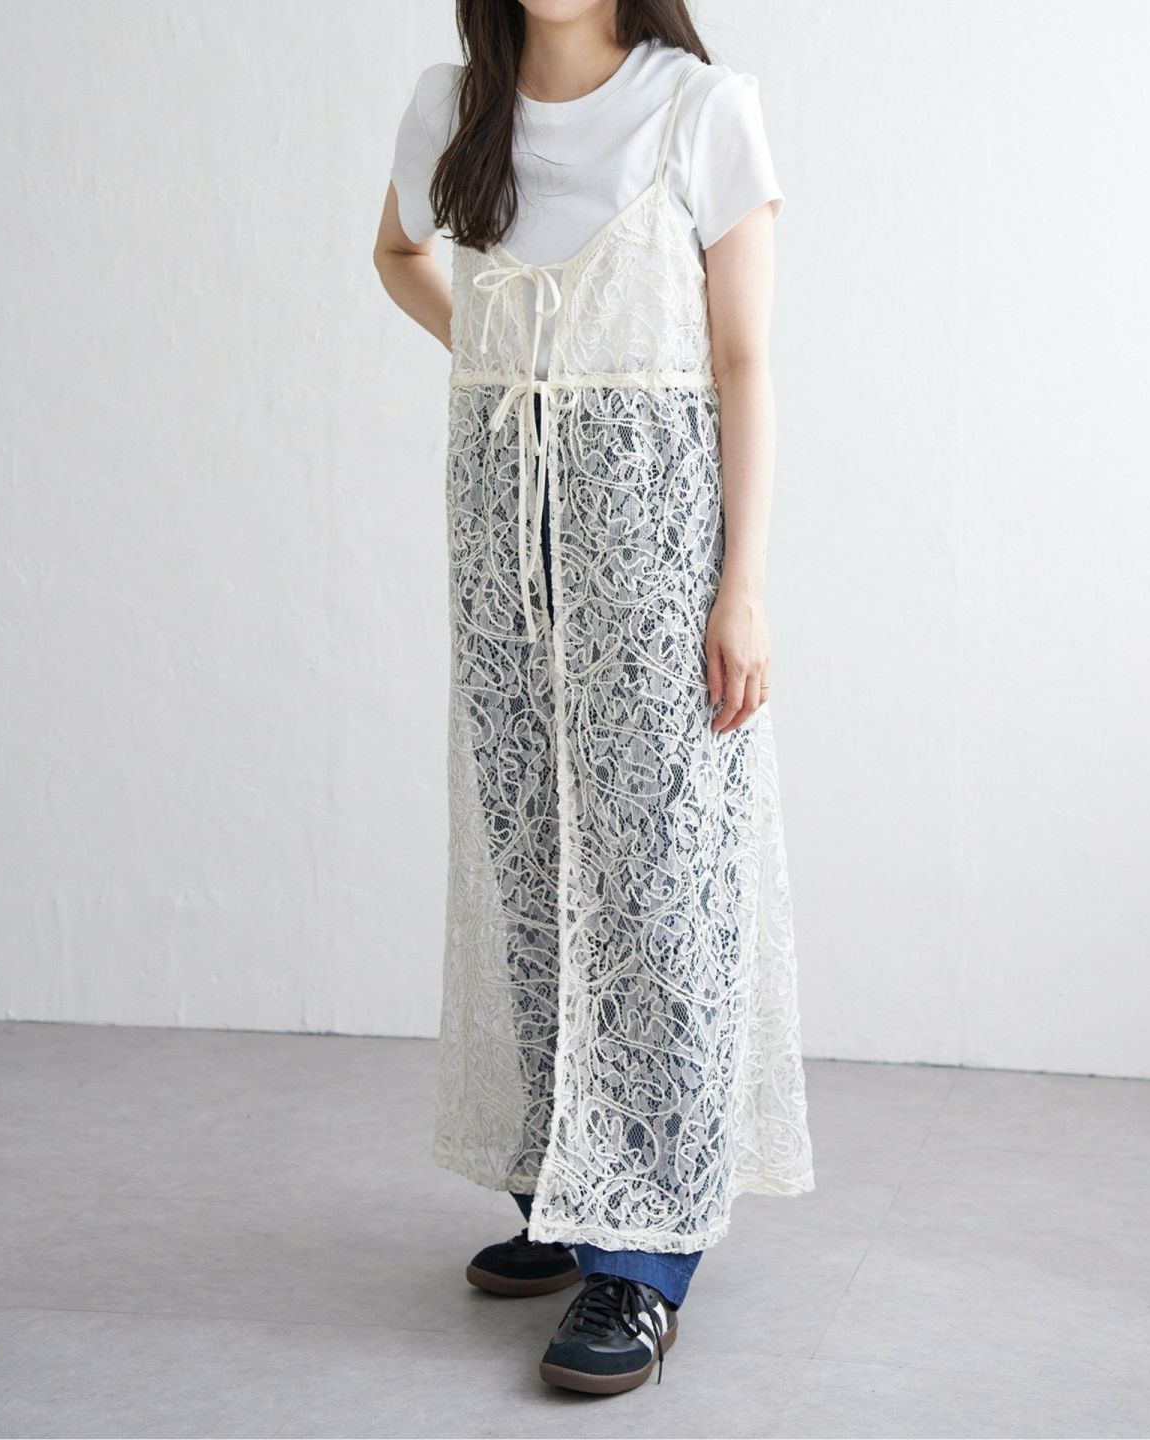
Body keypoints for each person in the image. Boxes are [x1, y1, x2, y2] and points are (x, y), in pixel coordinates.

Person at [373, 0, 814, 1396]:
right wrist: (507, 354)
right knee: (533, 864)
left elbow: (743, 362)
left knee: (659, 879)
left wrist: (743, 588)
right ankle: (570, 1190)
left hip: (656, 545)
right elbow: (396, 254)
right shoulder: (454, 104)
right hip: (504, 538)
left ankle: (650, 1253)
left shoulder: (702, 110)